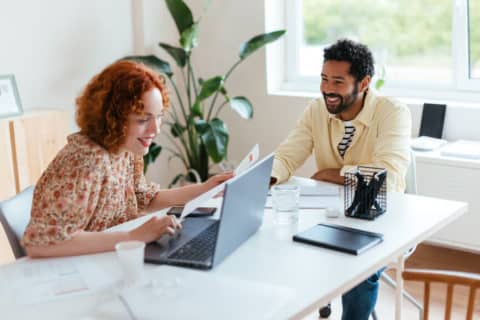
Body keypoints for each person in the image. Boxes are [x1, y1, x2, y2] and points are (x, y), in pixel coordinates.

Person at [22, 61, 232, 258]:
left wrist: (205, 189)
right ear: (112, 119)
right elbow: (39, 243)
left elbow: (144, 197)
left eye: (159, 116)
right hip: (77, 271)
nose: (155, 129)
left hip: (111, 258)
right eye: (143, 119)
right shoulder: (85, 162)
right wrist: (134, 236)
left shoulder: (125, 148)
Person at [271, 39, 411, 319]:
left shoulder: (392, 112)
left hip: (379, 215)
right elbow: (287, 156)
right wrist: (265, 179)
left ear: (364, 82)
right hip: (331, 213)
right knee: (275, 244)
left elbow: (389, 181)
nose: (327, 90)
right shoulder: (316, 111)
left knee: (360, 271)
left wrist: (329, 175)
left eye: (338, 81)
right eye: (324, 79)